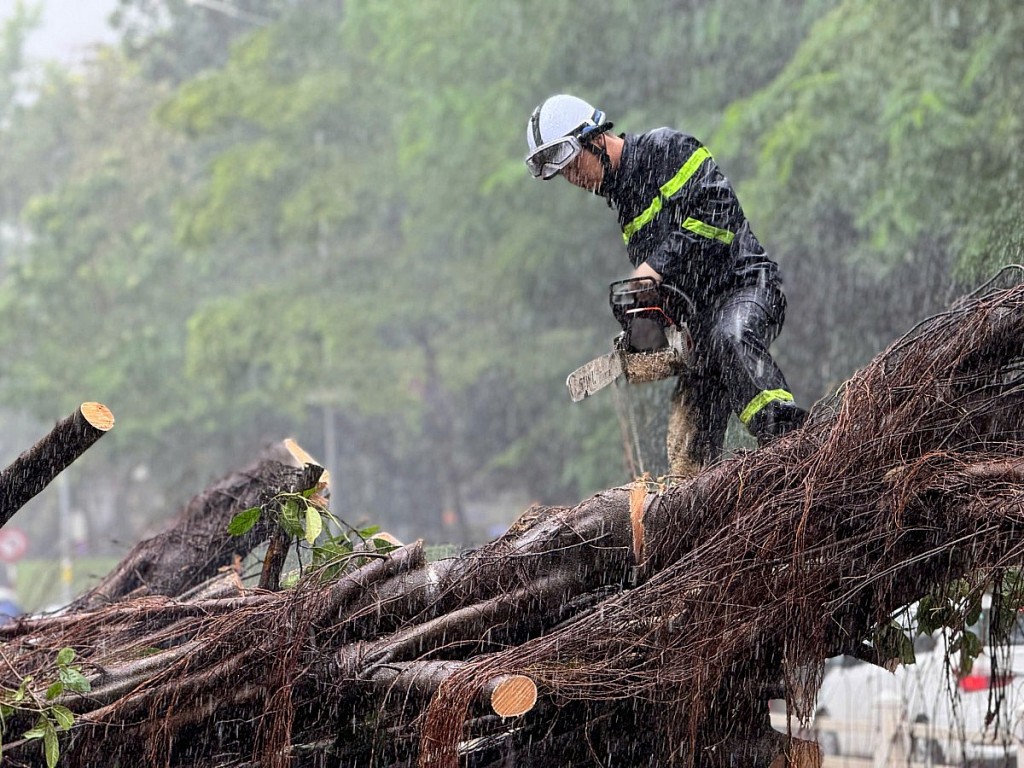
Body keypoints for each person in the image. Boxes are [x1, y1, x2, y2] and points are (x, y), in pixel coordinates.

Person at [525, 94, 806, 475]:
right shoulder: (625, 202)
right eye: (566, 176)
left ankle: (792, 447)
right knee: (687, 452)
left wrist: (655, 267)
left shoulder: (668, 150)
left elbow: (718, 216)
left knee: (732, 338)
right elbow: (667, 284)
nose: (575, 180)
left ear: (595, 139)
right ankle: (706, 505)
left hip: (746, 287)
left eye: (575, 166)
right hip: (701, 324)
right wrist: (652, 326)